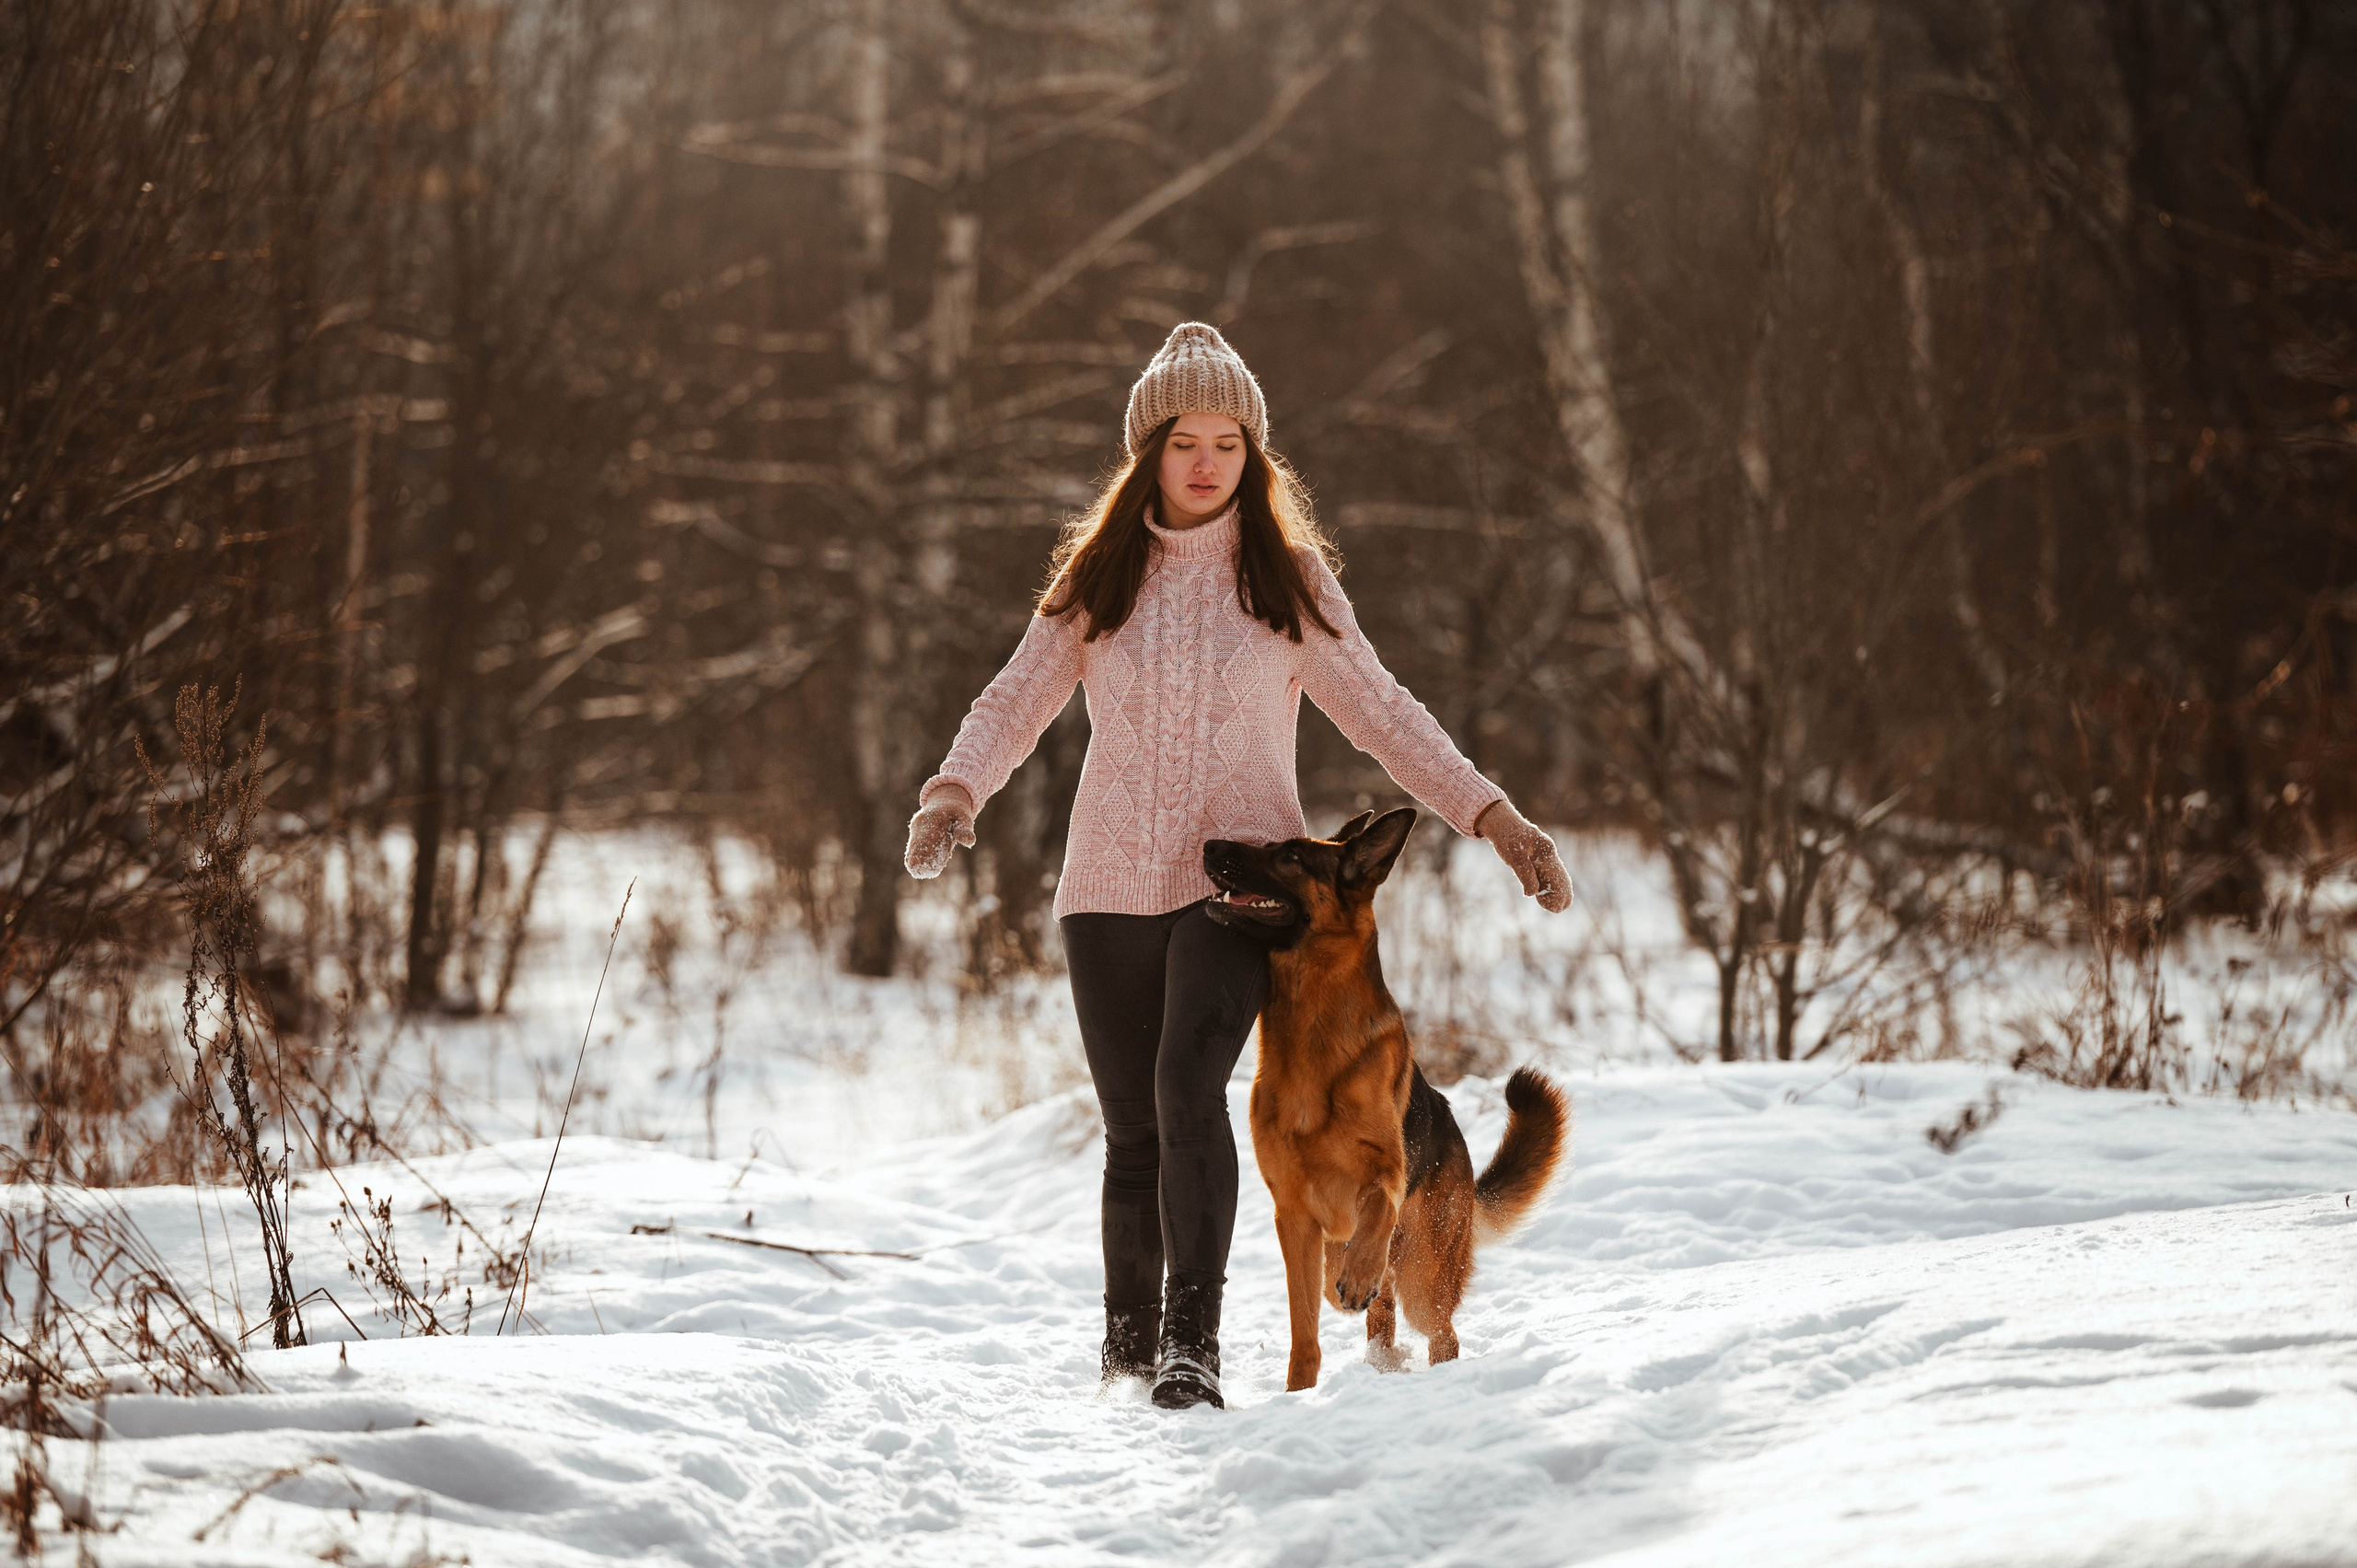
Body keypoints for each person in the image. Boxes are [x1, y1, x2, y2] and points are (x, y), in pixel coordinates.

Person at [903, 323, 1571, 1411]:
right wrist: (951, 791)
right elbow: (1013, 697)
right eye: (1184, 441)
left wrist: (1495, 818)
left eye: (1228, 441)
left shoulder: (1288, 580)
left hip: (1244, 897)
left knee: (1185, 1095)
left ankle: (1190, 1348)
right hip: (1107, 888)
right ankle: (1125, 1347)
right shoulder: (1099, 576)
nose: (1206, 461)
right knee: (1130, 1128)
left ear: (1253, 455)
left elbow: (1389, 720)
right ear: (1148, 454)